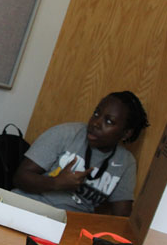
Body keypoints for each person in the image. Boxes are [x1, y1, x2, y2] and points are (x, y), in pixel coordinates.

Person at [12, 91, 149, 216]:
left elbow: (122, 216)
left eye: (109, 121)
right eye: (96, 113)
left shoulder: (125, 162)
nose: (96, 123)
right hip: (27, 209)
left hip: (70, 226)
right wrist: (56, 183)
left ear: (126, 133)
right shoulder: (66, 134)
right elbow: (20, 178)